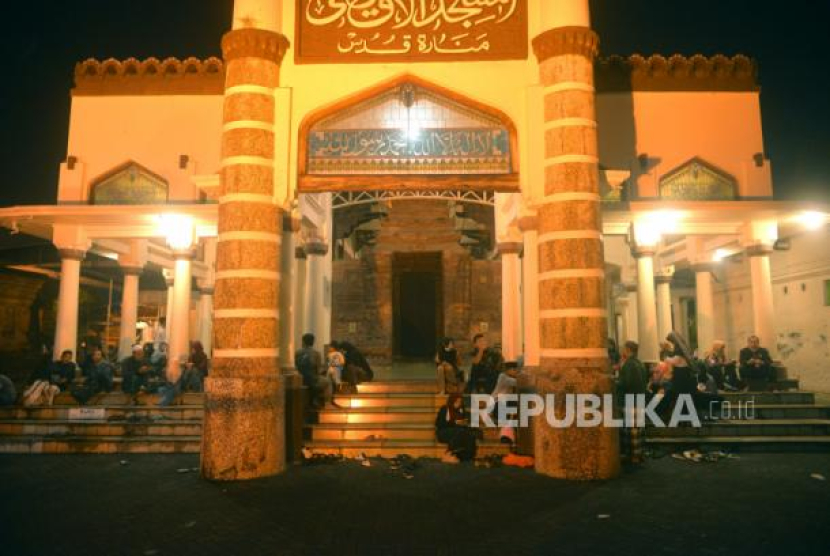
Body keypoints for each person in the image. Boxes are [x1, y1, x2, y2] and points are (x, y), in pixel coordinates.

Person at [617, 341, 647, 463]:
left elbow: (625, 383)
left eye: (623, 348)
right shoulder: (640, 363)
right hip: (639, 398)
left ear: (628, 350)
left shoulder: (629, 364)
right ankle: (638, 454)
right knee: (637, 429)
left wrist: (617, 383)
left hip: (630, 399)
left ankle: (633, 456)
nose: (622, 350)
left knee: (631, 430)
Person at [435, 394, 478, 463]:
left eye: (460, 402)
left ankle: (468, 456)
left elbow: (464, 422)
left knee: (469, 435)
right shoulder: (445, 409)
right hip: (444, 431)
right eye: (457, 402)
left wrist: (463, 423)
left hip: (458, 431)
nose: (458, 404)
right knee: (459, 433)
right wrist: (455, 423)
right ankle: (452, 453)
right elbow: (439, 424)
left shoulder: (461, 410)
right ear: (452, 401)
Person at [294, 333, 331, 408]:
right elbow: (318, 370)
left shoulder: (297, 352)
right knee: (328, 381)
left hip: (299, 379)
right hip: (312, 380)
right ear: (313, 342)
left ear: (303, 342)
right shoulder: (316, 353)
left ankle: (315, 399)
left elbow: (295, 366)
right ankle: (326, 403)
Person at [491, 361, 520, 445]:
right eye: (514, 370)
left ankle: (508, 435)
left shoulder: (507, 378)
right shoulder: (503, 376)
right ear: (508, 370)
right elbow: (515, 382)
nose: (516, 372)